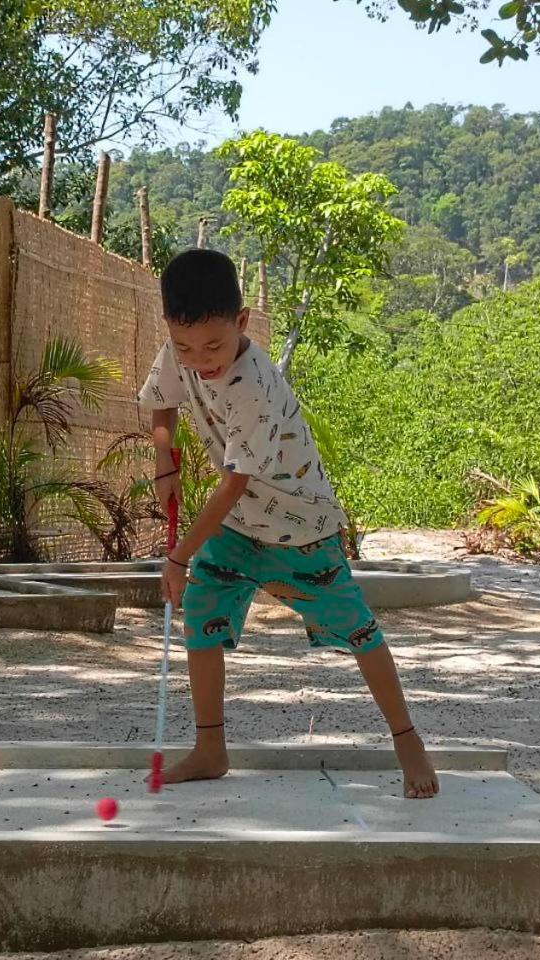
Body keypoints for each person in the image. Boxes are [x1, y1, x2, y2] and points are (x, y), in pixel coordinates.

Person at [138, 248, 439, 799]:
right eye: (185, 346)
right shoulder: (181, 348)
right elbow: (161, 403)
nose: (200, 360)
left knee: (357, 628)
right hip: (237, 527)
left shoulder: (252, 384)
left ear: (243, 322)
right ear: (170, 328)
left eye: (215, 346)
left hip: (301, 527)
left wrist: (180, 555)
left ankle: (407, 740)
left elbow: (232, 484)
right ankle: (210, 749)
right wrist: (165, 461)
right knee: (202, 612)